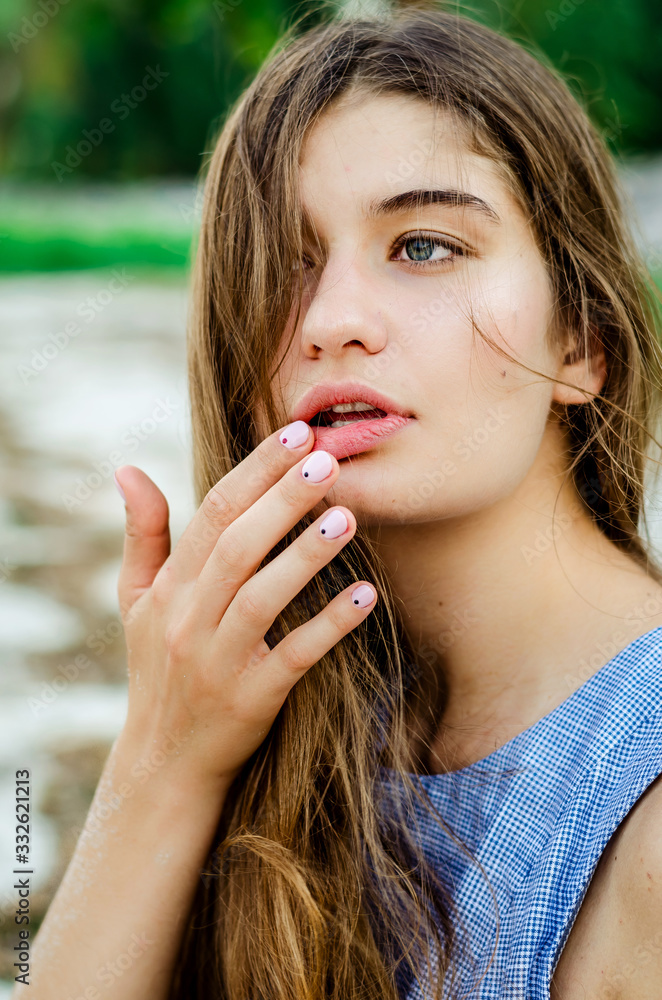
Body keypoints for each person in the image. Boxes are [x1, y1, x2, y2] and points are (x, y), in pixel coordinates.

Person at [18, 6, 662, 1000]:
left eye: (422, 246)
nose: (329, 322)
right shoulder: (267, 722)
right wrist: (161, 756)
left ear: (581, 341)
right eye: (281, 262)